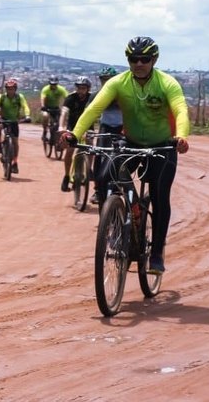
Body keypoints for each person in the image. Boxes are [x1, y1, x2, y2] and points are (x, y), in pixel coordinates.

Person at [62, 36, 190, 275]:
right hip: (130, 142)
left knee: (160, 196)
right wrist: (75, 134)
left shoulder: (167, 83)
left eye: (145, 59)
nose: (139, 63)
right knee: (102, 175)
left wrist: (181, 136)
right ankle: (116, 222)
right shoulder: (119, 82)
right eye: (133, 59)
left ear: (154, 59)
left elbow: (180, 109)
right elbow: (94, 108)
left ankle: (156, 252)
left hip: (162, 146)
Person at [89, 67, 123, 205]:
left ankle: (119, 185)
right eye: (103, 79)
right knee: (99, 155)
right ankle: (98, 190)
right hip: (105, 127)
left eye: (108, 79)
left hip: (122, 128)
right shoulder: (97, 95)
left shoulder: (123, 95)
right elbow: (88, 114)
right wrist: (88, 130)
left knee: (121, 157)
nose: (106, 82)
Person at [0, 77, 30, 174]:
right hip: (4, 119)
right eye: (8, 89)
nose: (10, 91)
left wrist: (27, 115)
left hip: (14, 121)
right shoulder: (1, 97)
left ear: (15, 89)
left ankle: (15, 162)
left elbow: (25, 106)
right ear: (6, 89)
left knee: (15, 143)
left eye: (12, 89)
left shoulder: (19, 97)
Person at [59, 76, 94, 192]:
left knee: (90, 146)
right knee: (69, 151)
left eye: (83, 88)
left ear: (88, 89)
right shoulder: (70, 98)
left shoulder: (91, 98)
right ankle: (66, 175)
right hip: (72, 128)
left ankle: (89, 169)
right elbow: (64, 113)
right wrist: (61, 126)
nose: (81, 90)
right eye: (79, 88)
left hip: (88, 128)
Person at [40, 75, 69, 141]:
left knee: (60, 120)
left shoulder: (61, 89)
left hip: (56, 108)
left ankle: (56, 135)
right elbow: (43, 98)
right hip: (46, 108)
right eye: (52, 84)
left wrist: (67, 105)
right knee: (45, 116)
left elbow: (67, 97)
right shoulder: (45, 89)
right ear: (49, 83)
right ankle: (45, 131)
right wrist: (43, 106)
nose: (53, 86)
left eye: (55, 84)